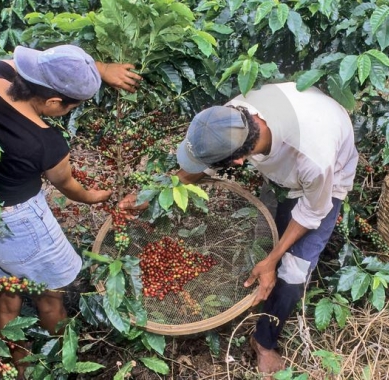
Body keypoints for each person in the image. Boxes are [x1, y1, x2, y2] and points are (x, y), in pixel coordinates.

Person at [120, 82, 359, 377]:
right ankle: (267, 278)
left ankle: (265, 342)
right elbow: (201, 166)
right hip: (285, 169)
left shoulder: (314, 160)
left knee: (293, 271)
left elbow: (312, 212)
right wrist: (153, 193)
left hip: (326, 181)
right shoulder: (229, 118)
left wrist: (273, 260)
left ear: (238, 161)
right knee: (267, 235)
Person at [0, 44, 141, 377]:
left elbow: (37, 64)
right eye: (71, 106)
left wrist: (100, 69)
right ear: (53, 102)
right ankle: (60, 364)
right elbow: (68, 186)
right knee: (50, 297)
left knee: (8, 296)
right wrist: (93, 197)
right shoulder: (46, 143)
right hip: (22, 224)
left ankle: (17, 369)